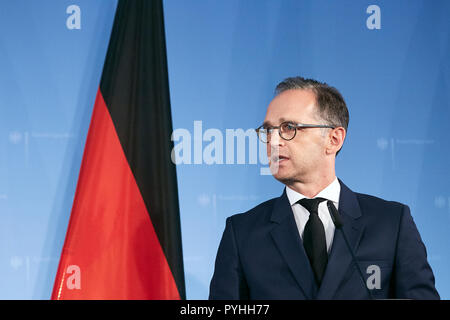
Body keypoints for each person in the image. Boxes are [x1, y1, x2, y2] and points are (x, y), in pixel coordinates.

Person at [209, 76, 439, 300]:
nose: (274, 141)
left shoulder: (391, 222)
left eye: (288, 128)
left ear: (334, 139)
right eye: (268, 130)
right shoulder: (242, 232)